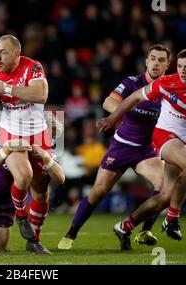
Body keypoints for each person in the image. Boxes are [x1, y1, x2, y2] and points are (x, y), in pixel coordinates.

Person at [97, 47, 186, 242]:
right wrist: (112, 118)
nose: (182, 71)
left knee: (165, 196)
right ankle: (172, 219)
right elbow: (134, 97)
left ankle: (125, 226)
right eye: (180, 66)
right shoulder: (167, 83)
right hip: (164, 136)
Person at [58, 44, 171, 251]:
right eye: (153, 58)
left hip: (146, 150)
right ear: (146, 61)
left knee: (165, 188)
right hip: (121, 146)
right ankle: (71, 233)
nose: (156, 63)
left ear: (167, 64)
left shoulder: (169, 89)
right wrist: (126, 108)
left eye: (161, 60)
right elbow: (108, 102)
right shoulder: (132, 82)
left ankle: (142, 230)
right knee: (99, 192)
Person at [0, 35, 54, 253]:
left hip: (38, 135)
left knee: (41, 191)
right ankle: (21, 216)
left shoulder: (32, 67)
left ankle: (33, 241)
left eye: (3, 52)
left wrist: (7, 89)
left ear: (16, 54)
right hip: (10, 133)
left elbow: (41, 94)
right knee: (23, 176)